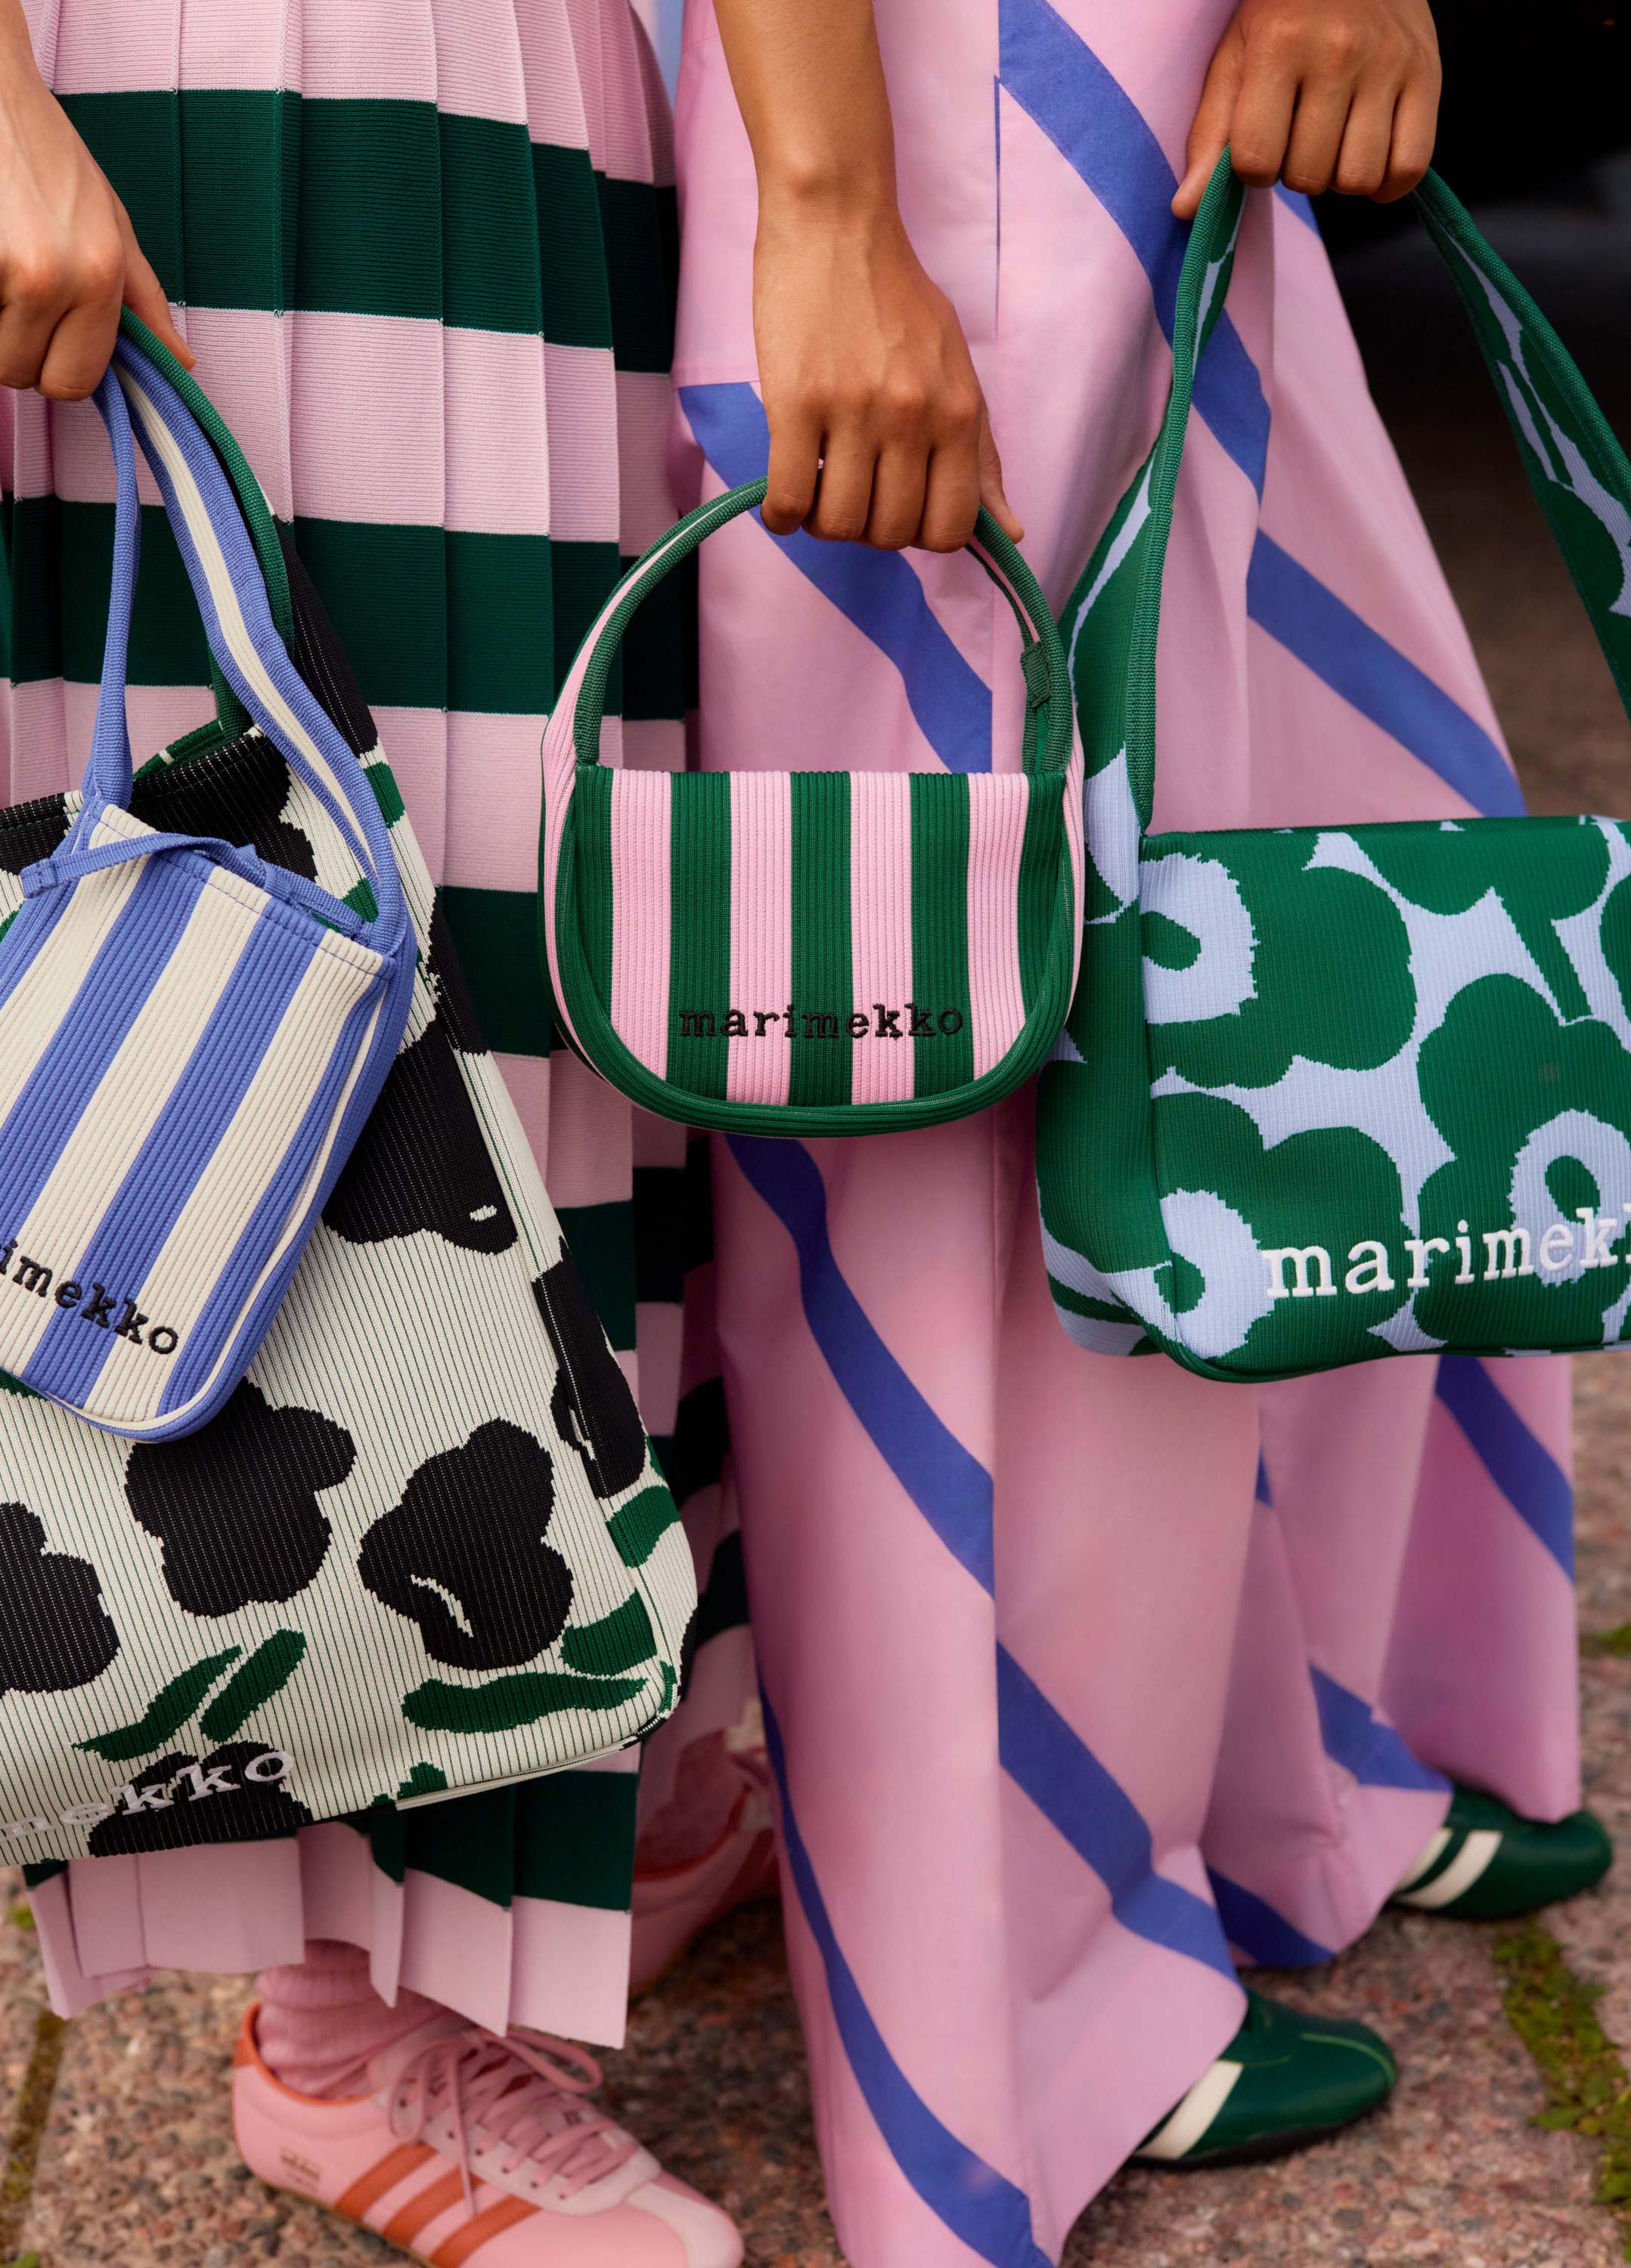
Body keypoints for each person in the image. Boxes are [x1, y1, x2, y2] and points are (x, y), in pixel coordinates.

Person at [659, 0, 1614, 2259]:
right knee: (958, 1036)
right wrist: (824, 204)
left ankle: (1262, 1771)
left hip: (1115, 81)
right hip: (925, 90)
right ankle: (1012, 1997)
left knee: (1251, 901)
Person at [0, 2, 746, 2263]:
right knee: (228, 1045)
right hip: (173, 72)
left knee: (517, 986)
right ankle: (344, 2019)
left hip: (530, 98)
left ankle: (583, 1798)